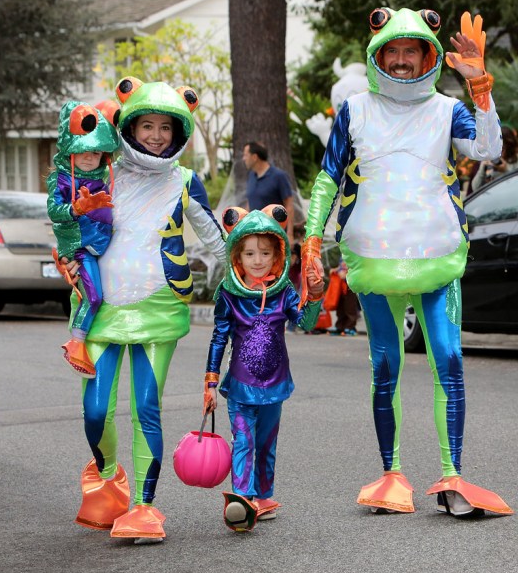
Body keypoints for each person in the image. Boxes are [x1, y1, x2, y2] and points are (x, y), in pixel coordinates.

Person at [300, 8, 513, 517]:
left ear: (427, 56)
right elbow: (329, 177)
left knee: (450, 362)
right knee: (385, 366)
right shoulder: (354, 109)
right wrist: (311, 240)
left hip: (436, 259)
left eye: (410, 51)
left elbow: (489, 146)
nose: (399, 60)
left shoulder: (446, 108)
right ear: (377, 55)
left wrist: (479, 84)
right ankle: (391, 473)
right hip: (374, 263)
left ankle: (452, 474)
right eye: (391, 51)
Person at [60, 77, 226, 543]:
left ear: (179, 132)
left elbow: (215, 239)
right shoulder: (104, 173)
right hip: (102, 312)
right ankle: (109, 475)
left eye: (165, 128)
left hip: (158, 310)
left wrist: (253, 269)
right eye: (147, 124)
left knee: (146, 408)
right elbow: (67, 221)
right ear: (130, 125)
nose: (155, 135)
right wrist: (66, 255)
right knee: (95, 411)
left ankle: (144, 507)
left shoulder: (187, 182)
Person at [202, 205, 324, 531]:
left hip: (275, 384)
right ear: (237, 257)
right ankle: (242, 499)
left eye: (265, 253)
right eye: (250, 253)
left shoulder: (283, 292)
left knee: (267, 443)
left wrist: (314, 296)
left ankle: (264, 496)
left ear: (277, 255)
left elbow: (305, 324)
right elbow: (219, 338)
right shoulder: (229, 294)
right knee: (243, 440)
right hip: (240, 386)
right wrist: (210, 383)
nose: (258, 260)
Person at [47, 100, 120, 376]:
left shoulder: (105, 176)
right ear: (71, 151)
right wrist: (76, 208)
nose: (91, 157)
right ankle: (77, 342)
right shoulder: (62, 180)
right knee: (95, 297)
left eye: (97, 152)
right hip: (81, 250)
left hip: (101, 248)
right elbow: (54, 211)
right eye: (84, 151)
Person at [243, 141, 295, 244]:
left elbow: (289, 205)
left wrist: (290, 234)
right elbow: (250, 203)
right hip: (255, 235)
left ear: (254, 157)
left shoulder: (279, 176)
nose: (243, 159)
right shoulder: (251, 176)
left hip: (275, 237)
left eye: (245, 155)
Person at [471, 126, 518, 192]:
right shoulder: (489, 159)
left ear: (509, 146)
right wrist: (482, 168)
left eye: (502, 148)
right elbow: (475, 188)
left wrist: (506, 170)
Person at [326, 258, 360, 336]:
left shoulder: (355, 251)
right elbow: (341, 265)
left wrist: (347, 273)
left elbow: (357, 266)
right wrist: (336, 270)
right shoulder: (343, 251)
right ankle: (340, 326)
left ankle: (350, 326)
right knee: (340, 306)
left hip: (351, 283)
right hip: (341, 283)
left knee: (350, 306)